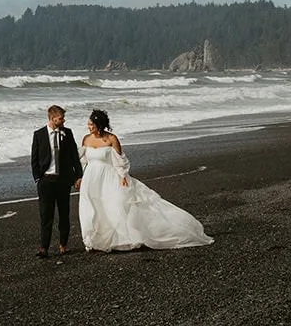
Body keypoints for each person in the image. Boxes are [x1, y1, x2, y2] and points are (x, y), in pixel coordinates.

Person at [78, 108, 213, 252]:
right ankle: (95, 239)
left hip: (109, 176)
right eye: (88, 124)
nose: (89, 127)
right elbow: (82, 160)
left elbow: (120, 160)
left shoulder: (111, 139)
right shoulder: (86, 139)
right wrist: (80, 177)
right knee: (94, 207)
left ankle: (120, 240)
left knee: (114, 205)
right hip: (91, 178)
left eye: (91, 124)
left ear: (99, 125)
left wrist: (123, 175)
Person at [30, 104, 83, 258]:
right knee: (46, 215)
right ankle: (44, 248)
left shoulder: (67, 133)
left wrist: (78, 176)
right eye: (61, 118)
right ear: (52, 119)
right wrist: (37, 178)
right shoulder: (39, 134)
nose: (63, 120)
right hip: (46, 180)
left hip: (63, 180)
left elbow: (74, 155)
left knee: (64, 213)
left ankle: (63, 244)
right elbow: (34, 158)